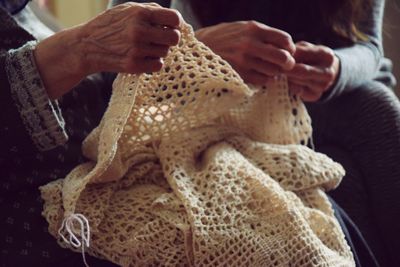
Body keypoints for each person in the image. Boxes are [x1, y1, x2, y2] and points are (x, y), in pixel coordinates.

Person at [111, 0, 400, 266]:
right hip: (210, 106)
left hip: (328, 99)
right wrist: (199, 49)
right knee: (344, 185)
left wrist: (337, 69)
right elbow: (114, 59)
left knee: (374, 107)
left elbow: (371, 47)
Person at [0, 1, 182, 266]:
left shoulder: (24, 11)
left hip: (103, 184)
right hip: (44, 231)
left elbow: (88, 98)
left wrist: (169, 57)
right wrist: (79, 49)